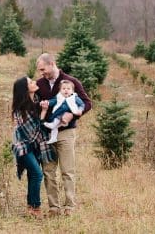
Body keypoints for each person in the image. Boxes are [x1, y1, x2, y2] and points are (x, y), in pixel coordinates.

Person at [36, 53, 92, 217]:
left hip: (66, 133)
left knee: (67, 171)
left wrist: (73, 115)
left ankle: (70, 207)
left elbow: (87, 102)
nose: (41, 73)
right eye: (40, 70)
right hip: (47, 133)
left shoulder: (71, 82)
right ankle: (54, 207)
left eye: (43, 69)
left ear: (52, 64)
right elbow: (35, 106)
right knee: (48, 171)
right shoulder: (40, 84)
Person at [11, 76, 57, 218]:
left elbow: (39, 124)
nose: (35, 83)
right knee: (37, 174)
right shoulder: (21, 109)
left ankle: (31, 208)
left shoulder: (36, 100)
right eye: (31, 82)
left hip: (35, 145)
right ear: (25, 89)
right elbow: (31, 131)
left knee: (33, 175)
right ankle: (36, 208)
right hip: (23, 146)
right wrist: (43, 113)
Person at [43, 80, 85, 144]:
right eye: (63, 89)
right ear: (60, 90)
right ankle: (53, 138)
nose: (66, 90)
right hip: (56, 113)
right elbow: (53, 101)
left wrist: (80, 110)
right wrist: (47, 102)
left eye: (68, 89)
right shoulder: (59, 96)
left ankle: (53, 125)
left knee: (55, 123)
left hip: (64, 114)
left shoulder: (74, 98)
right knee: (55, 128)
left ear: (72, 91)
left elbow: (82, 104)